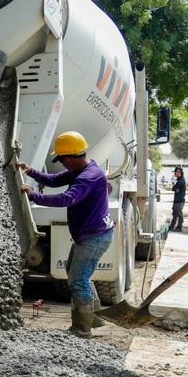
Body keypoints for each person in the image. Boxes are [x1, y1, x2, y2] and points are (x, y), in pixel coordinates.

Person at [19, 131, 114, 337]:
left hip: (94, 237)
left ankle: (82, 328)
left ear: (70, 158)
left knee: (77, 279)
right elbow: (54, 180)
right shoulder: (81, 170)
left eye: (62, 160)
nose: (62, 164)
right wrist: (31, 171)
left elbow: (66, 199)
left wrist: (34, 195)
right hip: (91, 234)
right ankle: (94, 317)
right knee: (77, 273)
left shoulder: (88, 177)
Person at [170, 167, 187, 232]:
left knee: (179, 214)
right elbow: (174, 189)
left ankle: (179, 227)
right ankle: (172, 226)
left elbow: (174, 188)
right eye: (175, 172)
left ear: (180, 173)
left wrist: (175, 185)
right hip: (176, 200)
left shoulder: (181, 181)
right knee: (175, 214)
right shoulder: (179, 180)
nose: (175, 173)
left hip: (180, 201)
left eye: (176, 172)